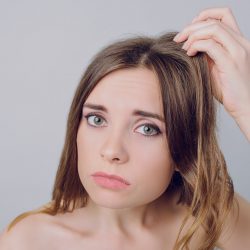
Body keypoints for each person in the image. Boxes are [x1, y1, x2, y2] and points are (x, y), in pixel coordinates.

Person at [0, 6, 249, 250]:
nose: (111, 151)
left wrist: (246, 106)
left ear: (185, 146)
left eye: (148, 129)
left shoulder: (212, 216)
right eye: (97, 119)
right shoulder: (27, 240)